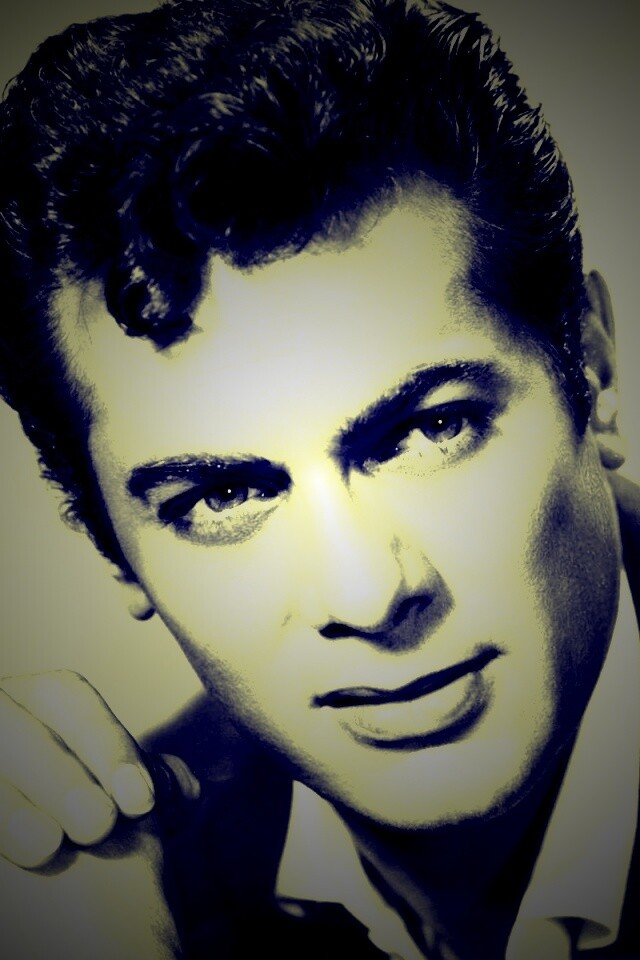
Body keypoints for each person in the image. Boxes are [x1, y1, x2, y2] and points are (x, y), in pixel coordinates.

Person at [0, 1, 637, 957]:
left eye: (430, 429)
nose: (368, 595)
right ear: (112, 549)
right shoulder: (136, 888)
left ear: (590, 368)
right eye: (223, 497)